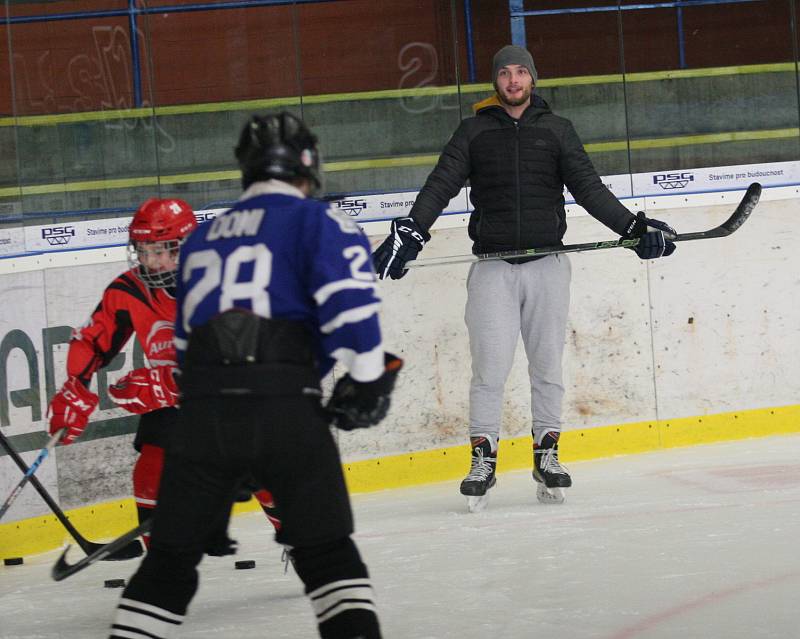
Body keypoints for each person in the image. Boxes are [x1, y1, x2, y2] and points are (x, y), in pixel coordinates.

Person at [108, 112, 402, 639]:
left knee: (167, 569)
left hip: (201, 422)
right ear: (309, 167)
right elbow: (355, 321)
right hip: (287, 410)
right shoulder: (325, 223)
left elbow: (184, 349)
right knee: (330, 560)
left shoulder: (202, 239)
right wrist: (368, 381)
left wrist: (221, 447)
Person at [372, 44, 676, 510]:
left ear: (533, 79)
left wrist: (632, 228)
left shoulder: (557, 130)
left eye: (521, 73)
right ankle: (483, 459)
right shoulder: (473, 132)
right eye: (505, 74)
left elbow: (589, 187)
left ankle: (547, 455)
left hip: (548, 266)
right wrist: (413, 229)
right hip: (493, 267)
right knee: (489, 371)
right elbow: (441, 183)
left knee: (547, 367)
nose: (513, 81)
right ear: (495, 82)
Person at [46, 198, 281, 551]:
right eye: (142, 251)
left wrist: (169, 383)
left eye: (159, 251)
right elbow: (93, 339)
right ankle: (162, 565)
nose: (149, 261)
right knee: (151, 467)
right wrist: (74, 387)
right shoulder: (130, 290)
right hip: (177, 397)